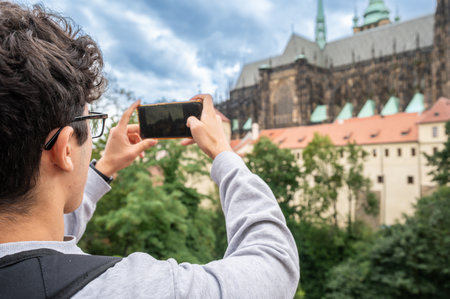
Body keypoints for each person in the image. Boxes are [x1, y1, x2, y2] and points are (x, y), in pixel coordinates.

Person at [0, 2, 299, 298]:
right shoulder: (133, 290)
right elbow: (275, 265)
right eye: (91, 120)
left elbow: (35, 239)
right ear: (65, 150)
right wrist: (225, 154)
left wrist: (104, 168)